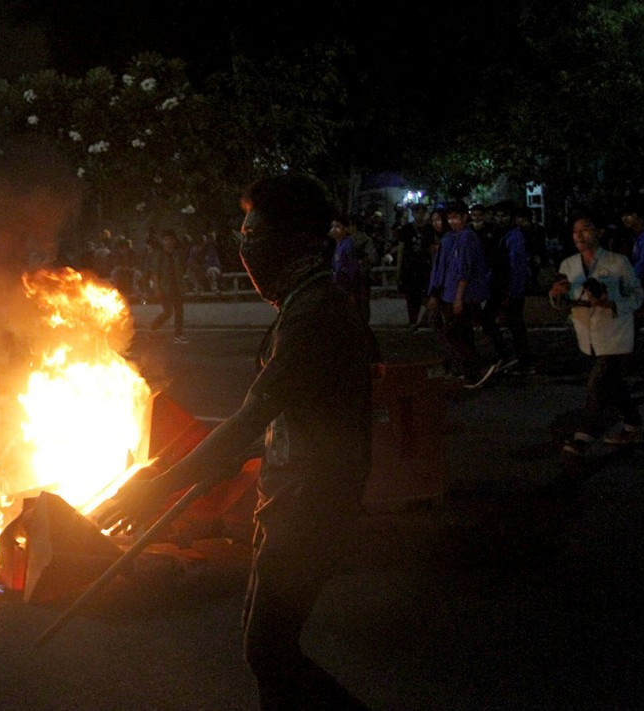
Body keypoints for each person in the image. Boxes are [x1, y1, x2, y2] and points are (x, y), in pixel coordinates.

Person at [100, 174, 373, 711]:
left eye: (255, 234)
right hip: (291, 501)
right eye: (242, 232)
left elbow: (251, 418)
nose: (244, 248)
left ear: (297, 240)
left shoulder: (314, 314)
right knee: (264, 647)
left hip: (311, 507)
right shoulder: (302, 304)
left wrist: (157, 488)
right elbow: (276, 422)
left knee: (268, 649)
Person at [549, 216, 644, 453]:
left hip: (615, 332)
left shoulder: (617, 262)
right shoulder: (568, 265)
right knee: (614, 385)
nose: (579, 236)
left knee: (596, 384)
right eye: (575, 231)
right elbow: (562, 303)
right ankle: (633, 424)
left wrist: (610, 303)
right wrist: (556, 293)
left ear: (598, 232)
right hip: (588, 336)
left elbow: (638, 295)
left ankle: (584, 435)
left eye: (585, 230)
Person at [427, 201, 495, 388]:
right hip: (452, 293)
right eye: (449, 218)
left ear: (465, 217)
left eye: (455, 217)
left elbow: (463, 269)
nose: (451, 221)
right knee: (461, 333)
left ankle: (473, 368)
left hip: (458, 295)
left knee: (455, 333)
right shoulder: (454, 237)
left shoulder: (465, 237)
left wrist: (458, 297)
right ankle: (470, 370)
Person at [483, 207, 535, 373]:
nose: (499, 218)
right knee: (504, 322)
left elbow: (517, 265)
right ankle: (510, 355)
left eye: (503, 214)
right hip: (499, 285)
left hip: (508, 286)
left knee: (513, 322)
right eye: (497, 215)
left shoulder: (514, 236)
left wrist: (514, 291)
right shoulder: (500, 234)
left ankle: (519, 358)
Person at [395, 204, 437, 329]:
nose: (419, 215)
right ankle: (412, 320)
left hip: (424, 267)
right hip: (409, 268)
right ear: (413, 214)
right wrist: (399, 269)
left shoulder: (429, 229)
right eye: (417, 212)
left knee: (426, 296)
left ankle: (426, 321)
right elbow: (401, 250)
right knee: (411, 297)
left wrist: (434, 267)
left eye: (422, 212)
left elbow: (432, 250)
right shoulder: (406, 229)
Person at [330, 214, 370, 326]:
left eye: (337, 227)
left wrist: (350, 285)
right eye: (333, 227)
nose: (334, 230)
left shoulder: (348, 245)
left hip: (347, 283)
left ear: (345, 229)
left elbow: (351, 267)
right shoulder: (339, 245)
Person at [150, 228, 188, 343]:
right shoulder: (159, 255)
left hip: (176, 286)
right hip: (164, 287)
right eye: (165, 239)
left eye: (170, 239)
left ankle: (178, 335)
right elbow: (155, 273)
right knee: (168, 311)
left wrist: (183, 285)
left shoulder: (177, 254)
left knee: (179, 311)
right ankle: (153, 328)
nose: (168, 242)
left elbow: (181, 270)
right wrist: (157, 288)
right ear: (162, 241)